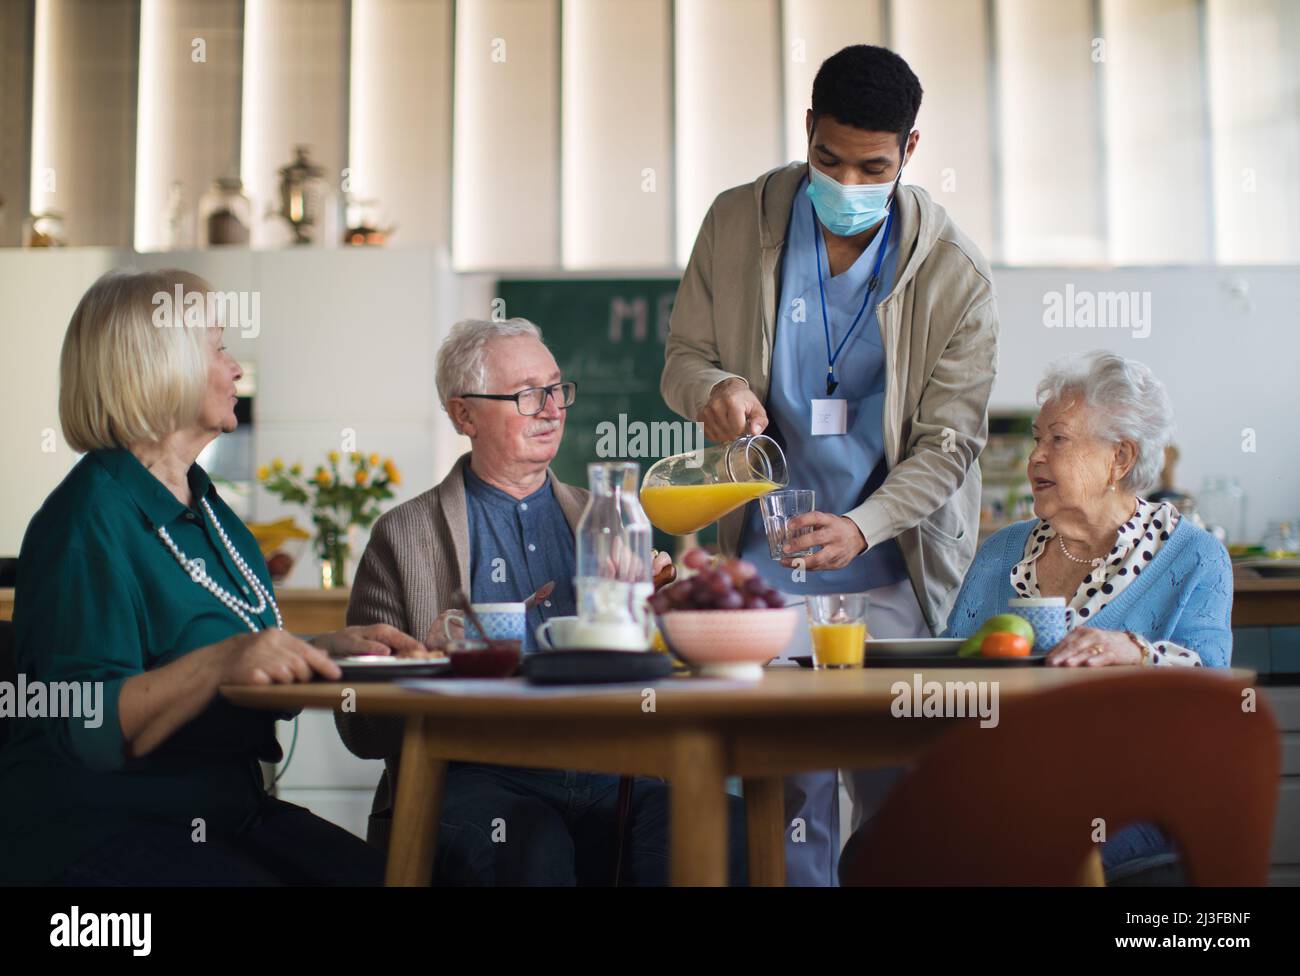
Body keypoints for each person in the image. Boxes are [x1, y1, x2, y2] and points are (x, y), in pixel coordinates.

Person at [661, 44, 998, 884]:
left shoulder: (957, 276)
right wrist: (719, 387)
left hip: (895, 575)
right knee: (787, 806)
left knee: (904, 803)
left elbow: (949, 444)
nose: (848, 182)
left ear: (910, 152)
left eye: (873, 165)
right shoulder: (737, 222)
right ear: (807, 130)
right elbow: (680, 361)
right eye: (829, 159)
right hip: (766, 582)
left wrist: (863, 523)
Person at [0, 269, 420, 884]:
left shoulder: (212, 513)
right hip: (99, 832)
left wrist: (317, 649)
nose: (235, 369)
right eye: (219, 347)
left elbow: (229, 653)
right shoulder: (87, 520)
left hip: (226, 813)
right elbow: (83, 725)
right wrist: (221, 663)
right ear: (159, 365)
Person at [336, 317, 748, 885]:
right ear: (464, 415)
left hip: (612, 768)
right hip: (476, 774)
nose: (552, 409)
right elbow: (358, 727)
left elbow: (657, 678)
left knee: (723, 824)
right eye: (528, 395)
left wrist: (666, 616)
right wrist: (422, 662)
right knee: (531, 842)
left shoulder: (607, 517)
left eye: (556, 390)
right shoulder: (404, 536)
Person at [943, 350, 1232, 883]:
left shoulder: (1194, 556)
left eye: (1057, 439)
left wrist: (1138, 653)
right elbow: (951, 676)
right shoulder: (1001, 553)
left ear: (1119, 458)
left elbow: (1215, 695)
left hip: (1135, 800)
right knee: (879, 846)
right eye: (1037, 438)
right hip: (1003, 785)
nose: (1035, 456)